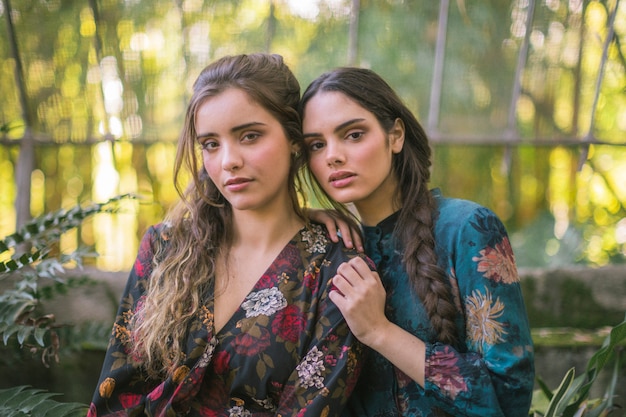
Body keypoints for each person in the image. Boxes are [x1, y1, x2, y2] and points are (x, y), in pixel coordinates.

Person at [88, 54, 371, 417]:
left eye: (249, 136)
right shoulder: (165, 247)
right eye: (210, 144)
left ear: (294, 139)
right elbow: (115, 395)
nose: (228, 161)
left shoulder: (336, 272)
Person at [299, 67, 535, 417]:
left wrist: (380, 331)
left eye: (352, 134)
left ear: (395, 135)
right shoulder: (329, 247)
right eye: (317, 145)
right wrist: (298, 216)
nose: (332, 155)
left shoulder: (468, 229)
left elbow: (508, 397)